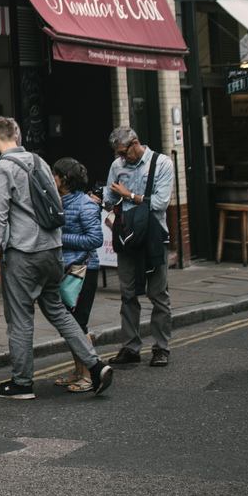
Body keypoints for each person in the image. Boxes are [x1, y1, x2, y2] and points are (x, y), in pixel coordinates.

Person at [0, 116, 113, 399]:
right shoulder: (40, 162)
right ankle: (95, 365)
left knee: (20, 318)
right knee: (58, 311)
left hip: (24, 254)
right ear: (16, 135)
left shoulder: (2, 167)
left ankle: (21, 383)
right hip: (53, 252)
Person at [102, 126, 174, 368]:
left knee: (158, 294)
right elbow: (110, 198)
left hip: (153, 236)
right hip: (127, 236)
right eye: (118, 154)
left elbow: (161, 203)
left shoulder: (161, 163)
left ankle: (161, 348)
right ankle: (131, 347)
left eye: (124, 152)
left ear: (135, 143)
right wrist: (104, 198)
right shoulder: (117, 166)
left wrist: (129, 195)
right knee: (128, 294)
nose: (121, 158)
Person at [52, 157, 102, 393]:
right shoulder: (59, 202)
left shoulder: (86, 205)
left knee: (79, 324)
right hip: (66, 270)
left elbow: (95, 239)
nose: (52, 178)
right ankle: (78, 370)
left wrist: (60, 239)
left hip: (84, 271)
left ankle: (89, 376)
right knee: (71, 324)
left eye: (55, 174)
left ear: (64, 179)